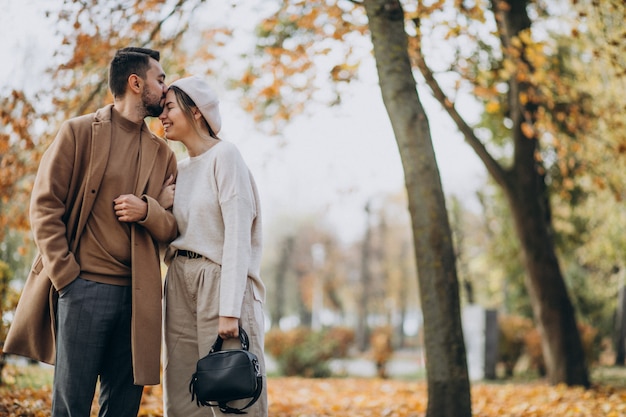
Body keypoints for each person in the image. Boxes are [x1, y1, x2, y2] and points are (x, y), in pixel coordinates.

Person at [3, 47, 178, 417]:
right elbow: (45, 206)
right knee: (71, 406)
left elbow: (172, 227)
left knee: (123, 408)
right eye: (160, 79)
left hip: (138, 297)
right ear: (135, 83)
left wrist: (148, 210)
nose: (166, 88)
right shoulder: (78, 133)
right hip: (83, 290)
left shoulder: (163, 154)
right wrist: (66, 276)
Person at [157, 76, 267, 417]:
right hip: (178, 281)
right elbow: (169, 238)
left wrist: (230, 309)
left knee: (233, 393)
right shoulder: (179, 169)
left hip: (219, 282)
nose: (162, 116)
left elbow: (237, 233)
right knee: (182, 393)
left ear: (197, 112)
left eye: (169, 107)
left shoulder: (226, 155)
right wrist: (160, 205)